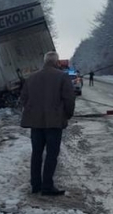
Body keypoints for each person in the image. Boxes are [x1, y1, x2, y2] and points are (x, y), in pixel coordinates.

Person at [20, 51, 75, 196]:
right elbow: (69, 99)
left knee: (36, 153)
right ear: (57, 62)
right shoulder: (62, 76)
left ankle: (35, 185)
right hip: (54, 123)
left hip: (36, 123)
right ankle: (47, 186)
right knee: (51, 154)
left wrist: (33, 112)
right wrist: (67, 115)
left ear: (44, 62)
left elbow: (24, 98)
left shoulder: (31, 77)